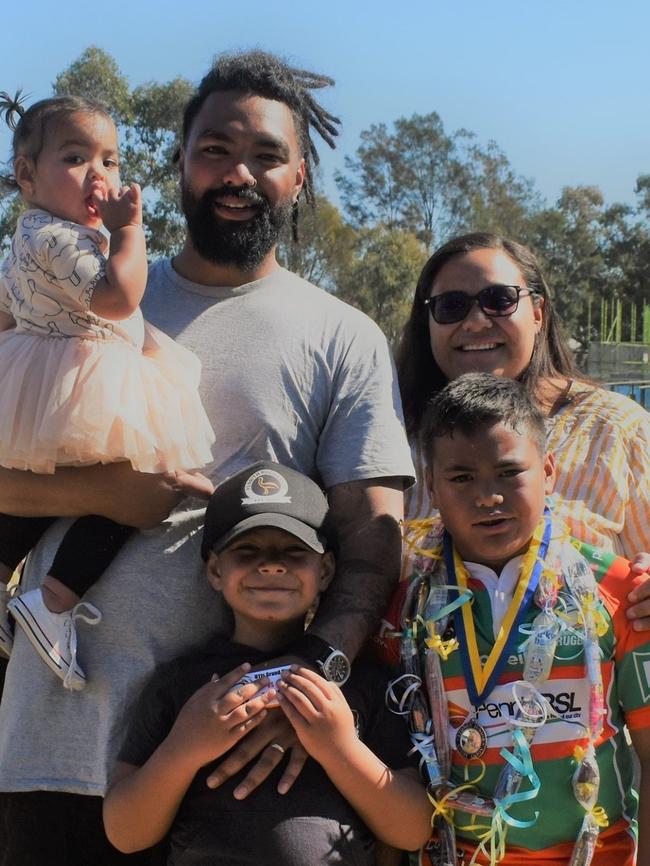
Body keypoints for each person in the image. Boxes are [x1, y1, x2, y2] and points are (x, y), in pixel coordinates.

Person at [0, 51, 413, 866]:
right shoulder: (78, 294)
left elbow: (372, 541)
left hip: (236, 772)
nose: (238, 173)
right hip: (51, 738)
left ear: (299, 177)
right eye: (216, 149)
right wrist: (107, 495)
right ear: (180, 162)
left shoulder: (342, 338)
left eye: (266, 155)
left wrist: (310, 684)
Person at [103, 462, 431, 865]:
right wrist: (184, 747)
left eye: (294, 552)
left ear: (326, 570)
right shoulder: (181, 684)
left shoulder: (363, 682)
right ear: (215, 570)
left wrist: (338, 747)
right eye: (247, 550)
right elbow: (125, 833)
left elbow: (413, 829)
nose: (272, 565)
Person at [0, 94, 214, 689]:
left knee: (47, 487)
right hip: (86, 381)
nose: (100, 175)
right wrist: (129, 231)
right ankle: (55, 601)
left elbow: (7, 310)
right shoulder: (60, 240)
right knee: (135, 484)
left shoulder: (38, 234)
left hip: (57, 379)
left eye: (111, 160)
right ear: (26, 175)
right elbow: (120, 297)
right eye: (76, 157)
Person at [400, 372, 649, 865]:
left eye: (509, 472)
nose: (487, 496)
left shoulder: (621, 592)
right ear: (431, 486)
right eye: (461, 477)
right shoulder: (408, 610)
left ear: (549, 470)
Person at [396, 232, 650, 618]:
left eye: (499, 300)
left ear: (537, 313)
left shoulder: (620, 431)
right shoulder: (392, 438)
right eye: (452, 306)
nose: (477, 321)